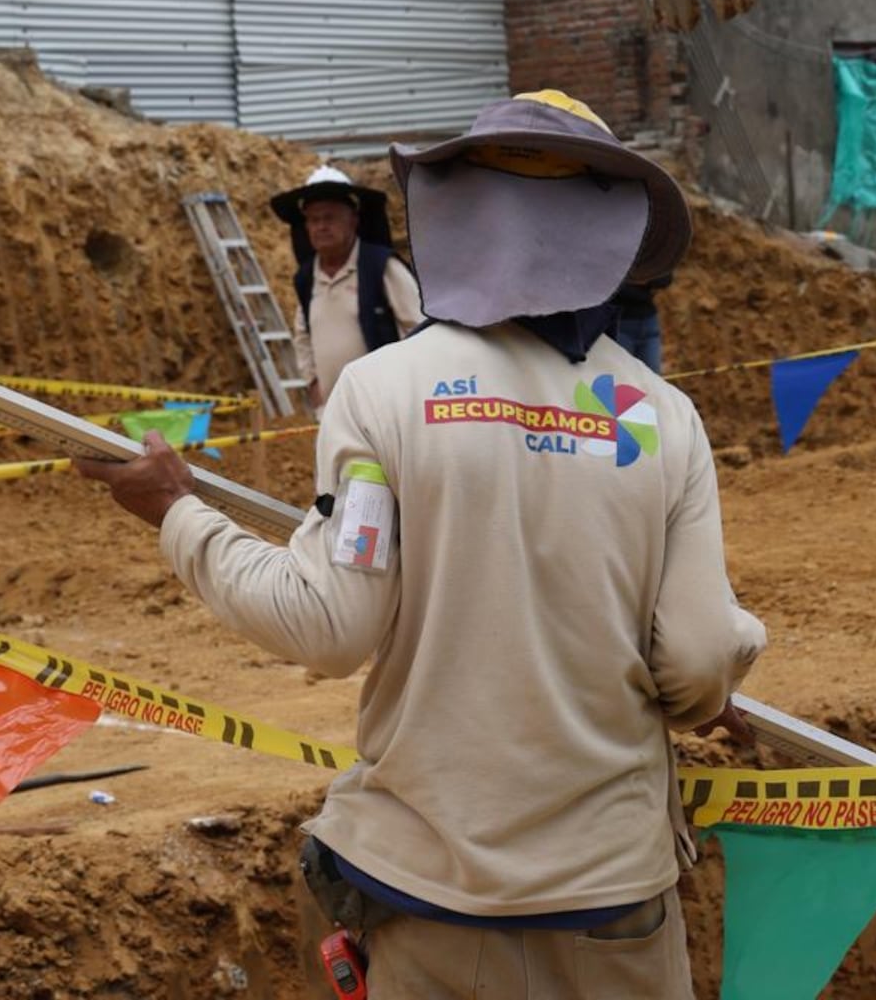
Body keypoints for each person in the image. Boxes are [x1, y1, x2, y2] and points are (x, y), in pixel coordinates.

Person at [79, 90, 765, 1000]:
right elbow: (699, 658)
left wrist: (179, 513)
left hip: (435, 900)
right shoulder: (659, 416)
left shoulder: (386, 392)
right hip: (612, 902)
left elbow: (329, 626)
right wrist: (706, 687)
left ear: (456, 207)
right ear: (610, 228)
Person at [270, 165, 422, 409]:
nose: (321, 226)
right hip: (332, 412)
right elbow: (302, 335)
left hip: (386, 409)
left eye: (330, 217)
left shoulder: (382, 267)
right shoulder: (307, 278)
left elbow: (419, 329)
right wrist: (312, 382)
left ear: (353, 220)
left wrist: (406, 387)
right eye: (314, 220)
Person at [610, 273, 670, 373]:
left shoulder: (648, 262)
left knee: (652, 376)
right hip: (620, 323)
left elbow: (665, 279)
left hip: (649, 321)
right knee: (622, 375)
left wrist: (631, 280)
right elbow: (615, 286)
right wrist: (646, 279)